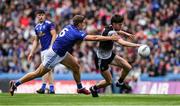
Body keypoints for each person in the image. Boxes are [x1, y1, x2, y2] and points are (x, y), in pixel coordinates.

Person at [9, 15, 119, 96]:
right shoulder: (75, 32)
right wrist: (110, 38)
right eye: (83, 23)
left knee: (76, 66)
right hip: (54, 55)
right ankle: (16, 84)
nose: (84, 25)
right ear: (79, 24)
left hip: (61, 52)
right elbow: (94, 38)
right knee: (37, 74)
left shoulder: (70, 27)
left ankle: (79, 88)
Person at [89, 14, 142, 97]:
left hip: (109, 55)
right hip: (102, 59)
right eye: (120, 24)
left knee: (128, 67)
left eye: (122, 24)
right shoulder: (111, 32)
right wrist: (138, 45)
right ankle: (94, 88)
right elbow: (123, 43)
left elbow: (117, 31)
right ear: (114, 24)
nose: (122, 26)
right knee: (109, 82)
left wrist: (125, 33)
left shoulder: (109, 27)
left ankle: (120, 82)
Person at [28, 9, 56, 94]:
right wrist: (31, 52)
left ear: (45, 15)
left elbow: (54, 34)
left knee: (46, 69)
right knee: (48, 70)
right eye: (39, 15)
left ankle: (43, 88)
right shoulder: (36, 27)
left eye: (42, 15)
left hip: (49, 49)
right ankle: (51, 89)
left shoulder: (49, 24)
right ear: (37, 16)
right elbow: (36, 41)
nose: (40, 17)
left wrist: (51, 47)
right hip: (43, 51)